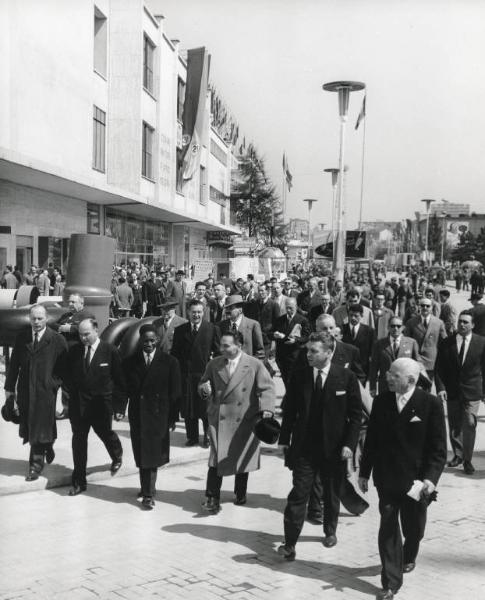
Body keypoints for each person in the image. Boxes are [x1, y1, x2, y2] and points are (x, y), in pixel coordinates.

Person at [358, 358, 447, 600]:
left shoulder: (430, 404)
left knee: (413, 528)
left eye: (394, 375)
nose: (388, 377)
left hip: (416, 483)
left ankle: (409, 554)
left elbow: (438, 449)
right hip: (386, 477)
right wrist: (364, 472)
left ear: (410, 380)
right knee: (388, 526)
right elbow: (372, 440)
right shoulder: (381, 401)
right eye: (388, 373)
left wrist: (430, 479)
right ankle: (391, 581)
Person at [277, 333, 362, 561]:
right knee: (298, 495)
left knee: (331, 492)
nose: (308, 355)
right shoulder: (300, 375)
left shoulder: (346, 377)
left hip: (334, 449)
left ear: (328, 352)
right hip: (305, 448)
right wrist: (284, 440)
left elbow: (356, 417)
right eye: (307, 351)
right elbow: (290, 411)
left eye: (314, 351)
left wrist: (349, 445)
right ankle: (290, 543)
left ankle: (330, 530)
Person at [198, 331, 275, 513]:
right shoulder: (214, 364)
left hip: (244, 420)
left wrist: (267, 409)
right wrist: (204, 389)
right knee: (215, 460)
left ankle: (240, 492)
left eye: (226, 345)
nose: (221, 349)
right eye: (221, 345)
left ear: (238, 345)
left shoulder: (254, 364)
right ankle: (212, 497)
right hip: (220, 420)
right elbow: (203, 383)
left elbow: (267, 388)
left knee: (241, 458)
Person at [4, 305, 68, 480]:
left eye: (40, 318)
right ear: (29, 318)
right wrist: (9, 390)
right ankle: (48, 443)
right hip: (25, 391)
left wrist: (54, 385)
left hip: (45, 393)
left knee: (39, 425)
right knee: (30, 425)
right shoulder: (22, 338)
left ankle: (35, 466)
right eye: (34, 318)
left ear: (46, 318)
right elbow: (14, 365)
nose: (37, 322)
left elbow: (65, 370)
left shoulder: (56, 340)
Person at [66, 318, 126, 496]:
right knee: (78, 442)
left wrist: (120, 408)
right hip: (79, 406)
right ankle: (79, 481)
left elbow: (120, 381)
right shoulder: (74, 351)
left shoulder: (110, 351)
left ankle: (117, 455)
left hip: (101, 405)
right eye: (80, 335)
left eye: (86, 334)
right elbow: (68, 375)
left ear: (96, 331)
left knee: (106, 434)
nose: (83, 338)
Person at [123, 324, 181, 509]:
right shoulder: (130, 362)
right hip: (138, 414)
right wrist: (119, 408)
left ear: (157, 340)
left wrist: (172, 418)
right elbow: (124, 388)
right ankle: (146, 487)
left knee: (152, 454)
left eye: (152, 340)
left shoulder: (170, 362)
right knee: (141, 452)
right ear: (140, 340)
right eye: (145, 340)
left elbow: (175, 393)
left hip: (159, 415)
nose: (149, 344)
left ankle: (148, 494)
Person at [435, 310, 485, 475]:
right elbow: (439, 368)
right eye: (460, 322)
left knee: (470, 423)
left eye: (465, 322)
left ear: (473, 325)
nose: (462, 325)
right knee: (455, 425)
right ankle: (457, 454)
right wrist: (441, 388)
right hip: (452, 390)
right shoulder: (446, 343)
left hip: (473, 390)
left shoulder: (481, 342)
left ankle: (468, 460)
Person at [171, 299, 221, 447]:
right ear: (188, 312)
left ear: (203, 312)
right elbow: (175, 354)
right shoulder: (180, 330)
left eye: (199, 312)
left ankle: (207, 436)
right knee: (188, 408)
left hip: (205, 376)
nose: (196, 315)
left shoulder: (212, 329)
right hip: (186, 376)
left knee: (205, 409)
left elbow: (218, 352)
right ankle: (191, 437)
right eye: (193, 312)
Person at [51, 293, 95, 419]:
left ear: (81, 303)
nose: (70, 304)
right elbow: (53, 325)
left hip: (79, 355)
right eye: (69, 302)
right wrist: (61, 327)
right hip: (65, 355)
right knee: (66, 383)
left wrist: (70, 329)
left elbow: (91, 329)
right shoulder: (66, 315)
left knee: (79, 383)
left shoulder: (87, 315)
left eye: (73, 302)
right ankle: (67, 410)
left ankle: (83, 409)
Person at [369, 317, 421, 396]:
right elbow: (374, 367)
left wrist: (418, 385)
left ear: (403, 327)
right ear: (388, 327)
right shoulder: (379, 344)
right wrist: (372, 387)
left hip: (404, 386)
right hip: (385, 386)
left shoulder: (412, 343)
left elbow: (417, 366)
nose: (395, 328)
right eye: (392, 326)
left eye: (398, 326)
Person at [403, 297, 447, 381]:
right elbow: (406, 342)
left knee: (427, 387)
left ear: (432, 308)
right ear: (419, 307)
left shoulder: (439, 323)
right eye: (422, 305)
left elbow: (444, 342)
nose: (425, 308)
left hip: (431, 361)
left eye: (428, 306)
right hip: (415, 360)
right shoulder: (411, 322)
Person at [271, 297, 311, 388]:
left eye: (291, 308)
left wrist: (296, 340)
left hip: (295, 354)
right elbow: (271, 332)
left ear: (296, 307)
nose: (288, 310)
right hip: (281, 355)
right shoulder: (280, 320)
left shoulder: (302, 320)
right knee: (285, 379)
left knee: (292, 381)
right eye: (287, 308)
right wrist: (275, 334)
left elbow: (306, 337)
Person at [341, 304, 374, 383]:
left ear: (362, 315)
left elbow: (372, 352)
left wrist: (370, 373)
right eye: (351, 315)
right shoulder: (341, 329)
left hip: (362, 370)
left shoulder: (369, 331)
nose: (353, 318)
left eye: (356, 316)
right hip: (345, 369)